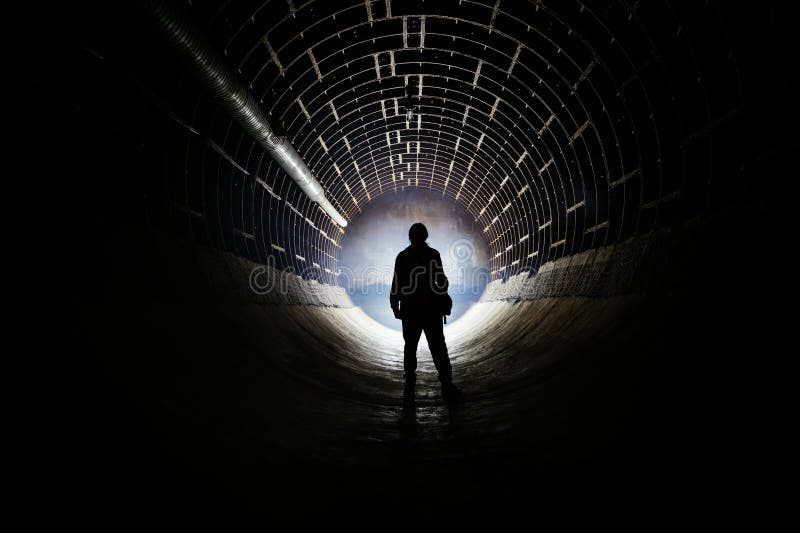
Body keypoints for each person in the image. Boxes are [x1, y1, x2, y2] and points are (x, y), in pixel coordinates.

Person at [390, 223, 462, 400]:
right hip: (432, 310)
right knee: (438, 346)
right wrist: (442, 294)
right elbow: (441, 280)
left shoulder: (403, 256)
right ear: (425, 236)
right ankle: (446, 382)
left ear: (410, 236)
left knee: (410, 346)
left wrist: (395, 305)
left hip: (410, 310)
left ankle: (410, 383)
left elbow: (396, 284)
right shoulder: (433, 255)